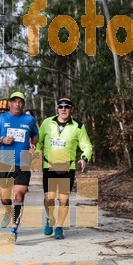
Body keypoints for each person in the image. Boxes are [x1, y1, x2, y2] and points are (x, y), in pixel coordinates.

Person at [36, 97, 93, 240]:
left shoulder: (78, 127)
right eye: (60, 106)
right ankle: (50, 219)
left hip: (68, 167)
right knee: (49, 198)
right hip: (49, 166)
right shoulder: (47, 123)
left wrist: (84, 157)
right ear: (57, 109)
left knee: (63, 200)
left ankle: (59, 227)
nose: (63, 109)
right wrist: (35, 156)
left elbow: (87, 146)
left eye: (66, 106)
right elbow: (38, 141)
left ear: (71, 109)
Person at [0, 91, 39, 243]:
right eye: (14, 101)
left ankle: (14, 229)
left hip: (23, 161)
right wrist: (1, 140)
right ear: (9, 103)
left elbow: (36, 134)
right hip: (5, 161)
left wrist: (33, 143)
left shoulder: (29, 120)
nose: (17, 104)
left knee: (19, 195)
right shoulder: (0, 119)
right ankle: (8, 211)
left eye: (20, 101)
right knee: (5, 198)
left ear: (23, 103)